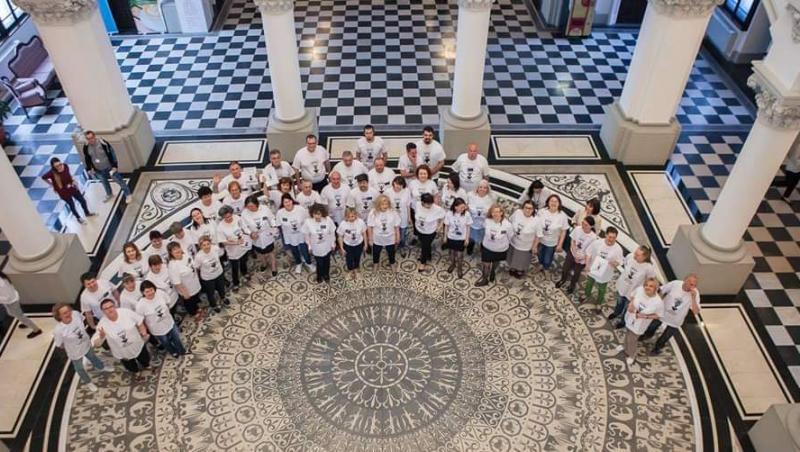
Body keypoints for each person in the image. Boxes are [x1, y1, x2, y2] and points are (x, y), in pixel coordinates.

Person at [53, 303, 112, 392]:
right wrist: (71, 346)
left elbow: (82, 322)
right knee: (79, 368)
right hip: (75, 352)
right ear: (59, 316)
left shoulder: (76, 314)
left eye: (69, 311)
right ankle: (88, 382)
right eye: (65, 313)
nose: (68, 314)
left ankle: (101, 367)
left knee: (93, 357)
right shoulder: (58, 330)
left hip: (86, 343)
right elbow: (60, 344)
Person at [91, 300, 150, 380]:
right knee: (130, 366)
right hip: (122, 353)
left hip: (138, 345)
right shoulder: (102, 325)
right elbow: (96, 343)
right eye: (106, 309)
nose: (109, 309)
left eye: (111, 306)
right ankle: (136, 372)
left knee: (145, 359)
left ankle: (147, 366)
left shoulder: (126, 312)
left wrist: (143, 332)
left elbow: (139, 320)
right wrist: (101, 337)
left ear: (115, 306)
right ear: (103, 311)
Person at [643, 275, 701, 355]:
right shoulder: (675, 284)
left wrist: (693, 298)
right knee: (652, 326)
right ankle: (647, 335)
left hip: (676, 320)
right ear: (684, 280)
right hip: (662, 313)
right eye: (690, 283)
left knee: (666, 336)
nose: (691, 286)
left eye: (693, 285)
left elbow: (696, 311)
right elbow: (661, 290)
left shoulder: (695, 293)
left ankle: (657, 347)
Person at [615, 278, 663, 366]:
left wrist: (646, 316)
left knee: (632, 339)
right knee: (628, 332)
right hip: (631, 317)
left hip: (641, 323)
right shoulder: (640, 289)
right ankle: (625, 347)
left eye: (651, 286)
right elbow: (633, 296)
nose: (647, 287)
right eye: (646, 285)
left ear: (656, 288)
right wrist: (631, 304)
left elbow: (659, 315)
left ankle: (632, 355)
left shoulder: (658, 302)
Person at [136, 281, 187, 358]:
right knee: (165, 342)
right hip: (157, 329)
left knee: (176, 337)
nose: (150, 293)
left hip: (169, 322)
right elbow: (141, 320)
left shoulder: (160, 293)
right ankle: (173, 352)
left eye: (151, 290)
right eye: (147, 291)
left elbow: (168, 303)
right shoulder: (140, 305)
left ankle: (181, 350)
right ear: (143, 292)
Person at [610, 245, 657, 327]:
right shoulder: (630, 256)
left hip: (633, 292)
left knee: (627, 308)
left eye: (637, 255)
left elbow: (650, 280)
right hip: (623, 285)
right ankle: (616, 313)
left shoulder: (649, 268)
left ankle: (623, 321)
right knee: (619, 301)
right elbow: (624, 264)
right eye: (635, 253)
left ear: (644, 257)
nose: (634, 255)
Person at [581, 226, 624, 313]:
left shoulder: (618, 249)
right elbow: (588, 253)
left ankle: (599, 303)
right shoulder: (597, 243)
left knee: (602, 289)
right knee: (589, 283)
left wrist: (614, 263)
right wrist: (587, 265)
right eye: (610, 237)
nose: (611, 239)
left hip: (605, 273)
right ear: (605, 235)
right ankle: (586, 294)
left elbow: (620, 262)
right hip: (593, 269)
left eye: (614, 238)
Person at [81, 131, 132, 203]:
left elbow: (112, 153)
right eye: (88, 139)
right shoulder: (86, 147)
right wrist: (89, 169)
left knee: (119, 180)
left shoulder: (103, 143)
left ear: (94, 136)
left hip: (109, 167)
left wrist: (114, 166)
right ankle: (109, 194)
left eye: (92, 138)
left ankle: (128, 194)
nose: (91, 140)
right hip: (98, 169)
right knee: (104, 182)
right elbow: (87, 158)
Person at [42, 157, 95, 224]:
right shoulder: (51, 173)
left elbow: (69, 175)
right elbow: (43, 177)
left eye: (60, 164)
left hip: (72, 187)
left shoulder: (65, 166)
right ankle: (78, 218)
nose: (59, 167)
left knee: (82, 200)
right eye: (56, 166)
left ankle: (87, 213)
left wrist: (73, 181)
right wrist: (52, 184)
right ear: (53, 167)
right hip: (63, 192)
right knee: (72, 205)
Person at [556, 216, 597, 294]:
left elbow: (589, 252)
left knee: (576, 273)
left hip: (582, 258)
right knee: (565, 268)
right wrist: (574, 252)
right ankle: (563, 279)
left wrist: (580, 258)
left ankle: (572, 285)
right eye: (583, 223)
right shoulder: (578, 229)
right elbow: (573, 240)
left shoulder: (593, 237)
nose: (583, 226)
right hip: (573, 252)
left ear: (591, 226)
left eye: (586, 225)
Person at [216, 205, 252, 290]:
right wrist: (236, 242)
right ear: (222, 217)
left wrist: (249, 233)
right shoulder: (220, 227)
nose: (228, 218)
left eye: (229, 216)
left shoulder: (237, 218)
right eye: (226, 217)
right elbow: (223, 242)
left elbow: (244, 228)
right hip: (233, 251)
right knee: (234, 268)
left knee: (244, 261)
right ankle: (236, 282)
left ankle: (245, 273)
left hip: (243, 245)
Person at [476, 204, 513, 286]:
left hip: (500, 249)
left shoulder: (507, 225)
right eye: (493, 212)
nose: (495, 214)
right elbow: (484, 230)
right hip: (487, 247)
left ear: (501, 213)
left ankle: (493, 272)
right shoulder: (487, 221)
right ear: (491, 213)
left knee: (496, 262)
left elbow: (510, 237)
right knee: (486, 265)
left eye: (497, 212)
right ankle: (485, 279)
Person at [241, 194, 278, 276]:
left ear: (256, 204)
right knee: (260, 252)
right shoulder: (244, 213)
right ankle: (264, 264)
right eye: (248, 207)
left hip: (266, 233)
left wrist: (274, 226)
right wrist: (250, 233)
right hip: (255, 236)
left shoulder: (264, 209)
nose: (250, 208)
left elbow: (272, 218)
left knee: (270, 251)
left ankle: (273, 266)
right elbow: (244, 226)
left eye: (252, 206)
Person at [277, 193, 314, 274]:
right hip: (289, 236)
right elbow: (278, 225)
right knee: (294, 250)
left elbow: (307, 220)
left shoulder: (300, 209)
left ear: (292, 201)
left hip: (301, 234)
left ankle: (308, 262)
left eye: (289, 201)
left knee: (304, 249)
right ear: (283, 204)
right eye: (285, 202)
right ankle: (299, 263)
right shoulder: (280, 213)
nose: (288, 203)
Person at [167, 242, 204, 322]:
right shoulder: (172, 265)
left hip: (194, 282)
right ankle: (193, 313)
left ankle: (196, 307)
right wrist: (184, 293)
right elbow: (177, 282)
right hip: (186, 288)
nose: (177, 250)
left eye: (178, 248)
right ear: (171, 253)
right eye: (174, 250)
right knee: (189, 302)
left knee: (195, 298)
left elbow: (193, 265)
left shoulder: (185, 255)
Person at [531, 194, 569, 270]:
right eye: (552, 201)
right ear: (548, 202)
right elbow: (536, 225)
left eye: (556, 201)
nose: (553, 203)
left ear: (559, 204)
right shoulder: (542, 211)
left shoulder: (563, 216)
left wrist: (560, 244)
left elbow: (563, 231)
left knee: (547, 259)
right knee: (539, 255)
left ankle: (546, 268)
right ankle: (541, 264)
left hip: (552, 242)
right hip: (540, 240)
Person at [0, 272, 42, 338]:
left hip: (12, 302)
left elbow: (7, 297)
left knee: (20, 317)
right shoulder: (2, 277)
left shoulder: (1, 284)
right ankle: (26, 323)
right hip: (9, 301)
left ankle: (36, 330)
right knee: (11, 313)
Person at [194, 235, 229, 312]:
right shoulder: (198, 257)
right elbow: (197, 267)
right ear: (200, 246)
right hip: (208, 278)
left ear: (210, 243)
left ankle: (223, 298)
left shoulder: (215, 248)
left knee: (221, 288)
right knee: (211, 293)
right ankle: (214, 305)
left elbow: (220, 255)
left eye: (208, 244)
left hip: (219, 273)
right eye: (204, 245)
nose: (207, 247)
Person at [303, 203, 337, 283]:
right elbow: (306, 235)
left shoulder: (328, 220)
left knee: (327, 262)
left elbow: (332, 232)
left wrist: (333, 243)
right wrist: (309, 246)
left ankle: (326, 275)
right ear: (312, 213)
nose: (317, 216)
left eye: (318, 214)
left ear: (322, 213)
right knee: (319, 263)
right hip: (316, 247)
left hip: (327, 246)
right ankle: (319, 275)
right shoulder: (308, 222)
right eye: (315, 214)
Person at [414, 193, 445, 272]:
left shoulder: (437, 209)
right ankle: (428, 256)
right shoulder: (417, 204)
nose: (429, 205)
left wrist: (439, 227)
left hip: (430, 232)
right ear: (422, 202)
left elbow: (443, 216)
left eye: (431, 203)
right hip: (419, 229)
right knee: (424, 244)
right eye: (427, 204)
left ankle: (422, 263)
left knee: (424, 246)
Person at [506, 201, 538, 278]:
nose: (528, 210)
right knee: (512, 257)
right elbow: (509, 222)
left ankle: (520, 271)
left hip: (525, 246)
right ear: (523, 208)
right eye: (526, 208)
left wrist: (534, 247)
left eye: (530, 208)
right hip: (513, 241)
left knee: (522, 260)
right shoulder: (517, 213)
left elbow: (538, 236)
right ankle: (512, 268)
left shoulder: (537, 220)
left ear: (533, 210)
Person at [368, 195, 401, 268]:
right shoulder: (373, 212)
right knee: (376, 252)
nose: (385, 206)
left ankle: (392, 263)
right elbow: (370, 227)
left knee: (391, 252)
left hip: (390, 237)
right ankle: (376, 263)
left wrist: (398, 237)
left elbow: (396, 226)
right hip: (377, 238)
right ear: (378, 204)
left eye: (386, 204)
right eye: (382, 204)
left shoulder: (393, 212)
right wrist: (370, 239)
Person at [444, 198, 472, 278]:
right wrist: (445, 236)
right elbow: (446, 225)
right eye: (461, 207)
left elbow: (468, 227)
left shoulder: (467, 214)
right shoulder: (449, 213)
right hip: (451, 237)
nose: (464, 209)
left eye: (464, 207)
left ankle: (459, 268)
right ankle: (452, 264)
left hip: (461, 238)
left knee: (460, 255)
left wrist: (467, 238)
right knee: (451, 253)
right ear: (455, 207)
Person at [337, 207, 367, 278]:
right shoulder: (343, 224)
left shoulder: (360, 222)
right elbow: (340, 236)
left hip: (359, 244)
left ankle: (356, 269)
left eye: (353, 216)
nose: (351, 218)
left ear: (356, 215)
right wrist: (341, 248)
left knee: (357, 257)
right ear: (345, 217)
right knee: (349, 259)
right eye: (348, 217)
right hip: (348, 245)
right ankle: (350, 270)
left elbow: (364, 233)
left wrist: (365, 244)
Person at [467, 180, 495, 256]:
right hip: (472, 222)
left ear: (488, 189)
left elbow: (492, 212)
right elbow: (466, 208)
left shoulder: (491, 199)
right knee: (471, 239)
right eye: (480, 187)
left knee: (483, 239)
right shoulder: (470, 196)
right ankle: (470, 248)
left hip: (484, 224)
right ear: (477, 188)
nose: (482, 189)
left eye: (485, 188)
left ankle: (483, 249)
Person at [387, 176, 412, 257]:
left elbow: (408, 205)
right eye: (396, 184)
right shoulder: (388, 192)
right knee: (393, 233)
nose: (398, 186)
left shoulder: (406, 191)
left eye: (400, 185)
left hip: (403, 216)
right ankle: (394, 246)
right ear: (393, 183)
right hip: (392, 218)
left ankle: (402, 247)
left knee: (402, 234)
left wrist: (409, 217)